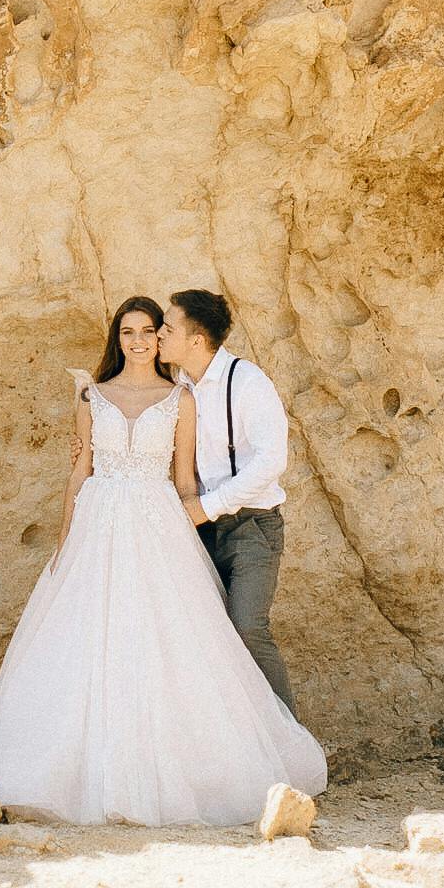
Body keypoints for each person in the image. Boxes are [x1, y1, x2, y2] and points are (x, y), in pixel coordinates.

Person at [0, 294, 326, 825]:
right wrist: (63, 541)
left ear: (175, 338)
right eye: (130, 331)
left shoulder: (189, 395)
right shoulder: (91, 396)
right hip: (100, 521)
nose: (145, 339)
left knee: (202, 634)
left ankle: (265, 748)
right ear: (117, 338)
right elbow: (78, 473)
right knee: (86, 635)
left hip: (170, 520)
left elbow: (187, 480)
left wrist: (188, 528)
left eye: (154, 330)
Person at [157, 289, 296, 713]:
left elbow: (273, 460)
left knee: (248, 626)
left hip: (252, 525)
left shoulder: (248, 381)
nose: (160, 335)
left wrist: (208, 506)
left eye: (167, 328)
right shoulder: (177, 387)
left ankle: (291, 739)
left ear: (196, 341)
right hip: (199, 529)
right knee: (202, 635)